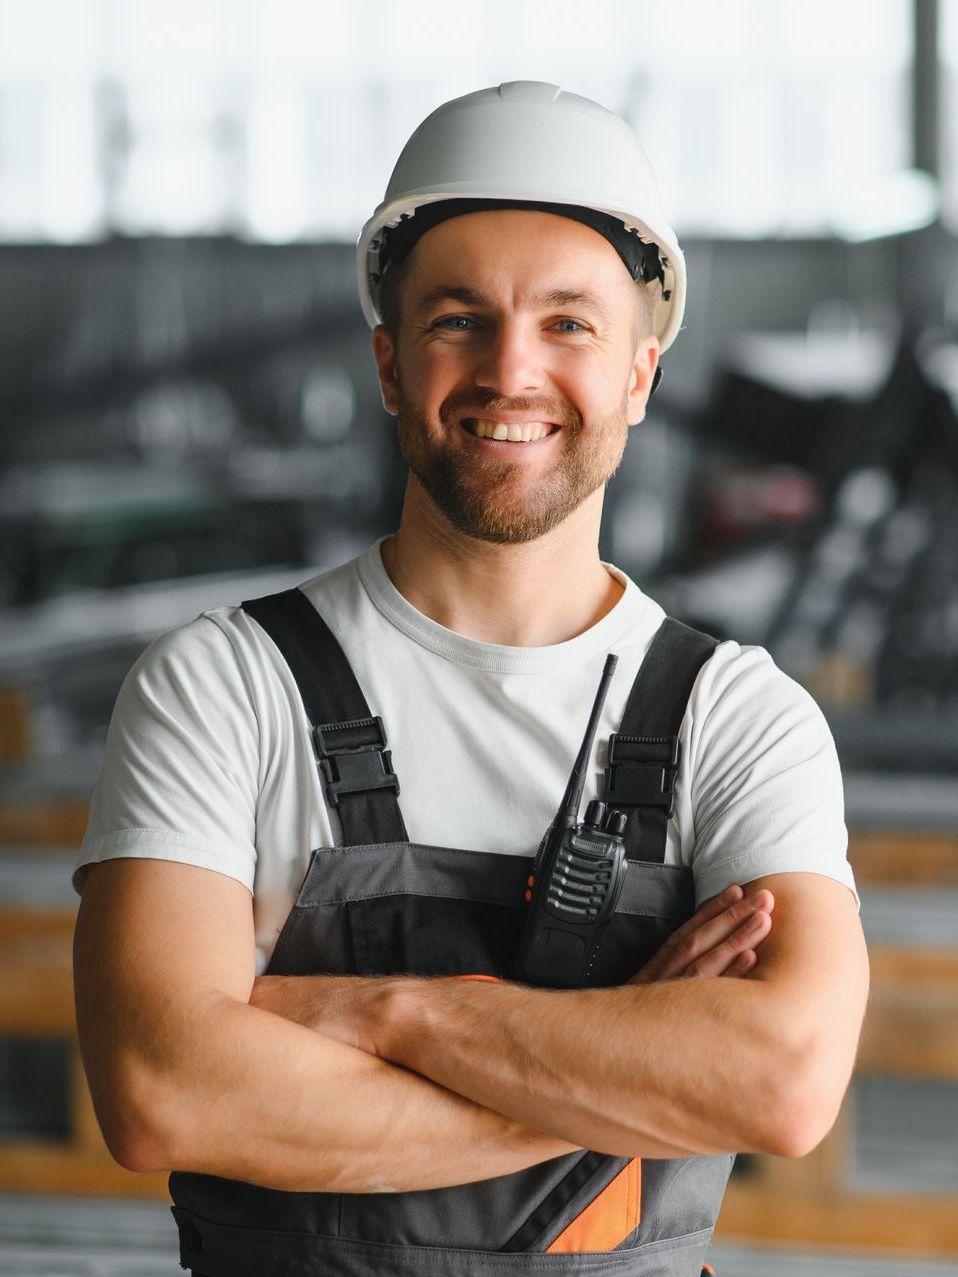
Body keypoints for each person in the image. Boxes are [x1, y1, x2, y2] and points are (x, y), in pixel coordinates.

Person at [73, 82, 868, 1276]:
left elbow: (784, 1082)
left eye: (568, 323)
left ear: (639, 375)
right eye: (458, 319)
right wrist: (623, 1069)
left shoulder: (739, 719)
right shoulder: (222, 687)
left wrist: (390, 1010)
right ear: (389, 364)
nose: (511, 369)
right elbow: (162, 1090)